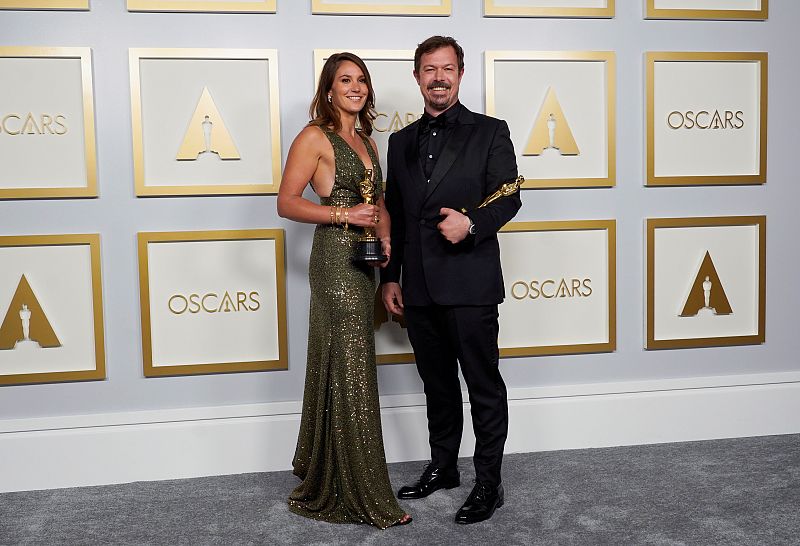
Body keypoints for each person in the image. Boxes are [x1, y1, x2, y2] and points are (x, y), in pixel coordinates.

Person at [380, 36, 521, 525]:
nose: (438, 77)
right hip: (417, 286)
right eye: (428, 70)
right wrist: (390, 279)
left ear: (461, 74)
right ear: (417, 77)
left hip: (470, 283)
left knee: (482, 385)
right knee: (436, 385)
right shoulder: (398, 143)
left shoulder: (491, 132)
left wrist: (473, 224)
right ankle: (444, 467)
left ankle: (489, 482)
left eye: (447, 69)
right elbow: (394, 214)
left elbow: (509, 197)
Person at [277, 52, 411, 529]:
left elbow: (378, 203)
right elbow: (286, 203)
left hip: (367, 260)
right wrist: (343, 215)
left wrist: (388, 234)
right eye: (345, 80)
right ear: (329, 90)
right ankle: (364, 493)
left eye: (362, 80)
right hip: (335, 262)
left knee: (345, 362)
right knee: (354, 368)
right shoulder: (315, 137)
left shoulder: (369, 142)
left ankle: (329, 471)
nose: (356, 87)